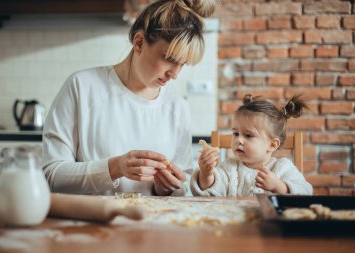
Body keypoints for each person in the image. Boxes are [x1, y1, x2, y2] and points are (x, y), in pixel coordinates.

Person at [42, 0, 218, 196]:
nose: (175, 74)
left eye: (182, 64)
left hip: (152, 224)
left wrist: (166, 187)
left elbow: (182, 190)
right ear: (139, 42)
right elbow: (51, 176)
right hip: (90, 223)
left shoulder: (177, 107)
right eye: (170, 59)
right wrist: (114, 167)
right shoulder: (81, 87)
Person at [190, 94, 313, 196]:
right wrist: (206, 174)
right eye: (235, 133)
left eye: (248, 135)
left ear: (272, 145)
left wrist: (279, 187)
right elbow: (210, 194)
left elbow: (306, 192)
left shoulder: (282, 167)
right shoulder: (229, 167)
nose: (239, 140)